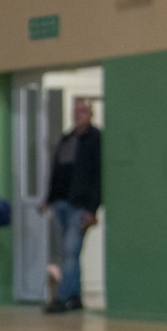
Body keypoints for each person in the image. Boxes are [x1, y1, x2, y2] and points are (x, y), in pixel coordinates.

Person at [42, 98, 102, 313]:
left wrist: (92, 209)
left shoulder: (95, 139)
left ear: (90, 114)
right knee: (68, 254)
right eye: (75, 111)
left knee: (70, 251)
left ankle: (61, 297)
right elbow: (58, 171)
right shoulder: (67, 138)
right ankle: (74, 296)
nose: (78, 115)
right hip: (61, 203)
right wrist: (49, 198)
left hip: (80, 205)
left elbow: (97, 177)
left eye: (82, 111)